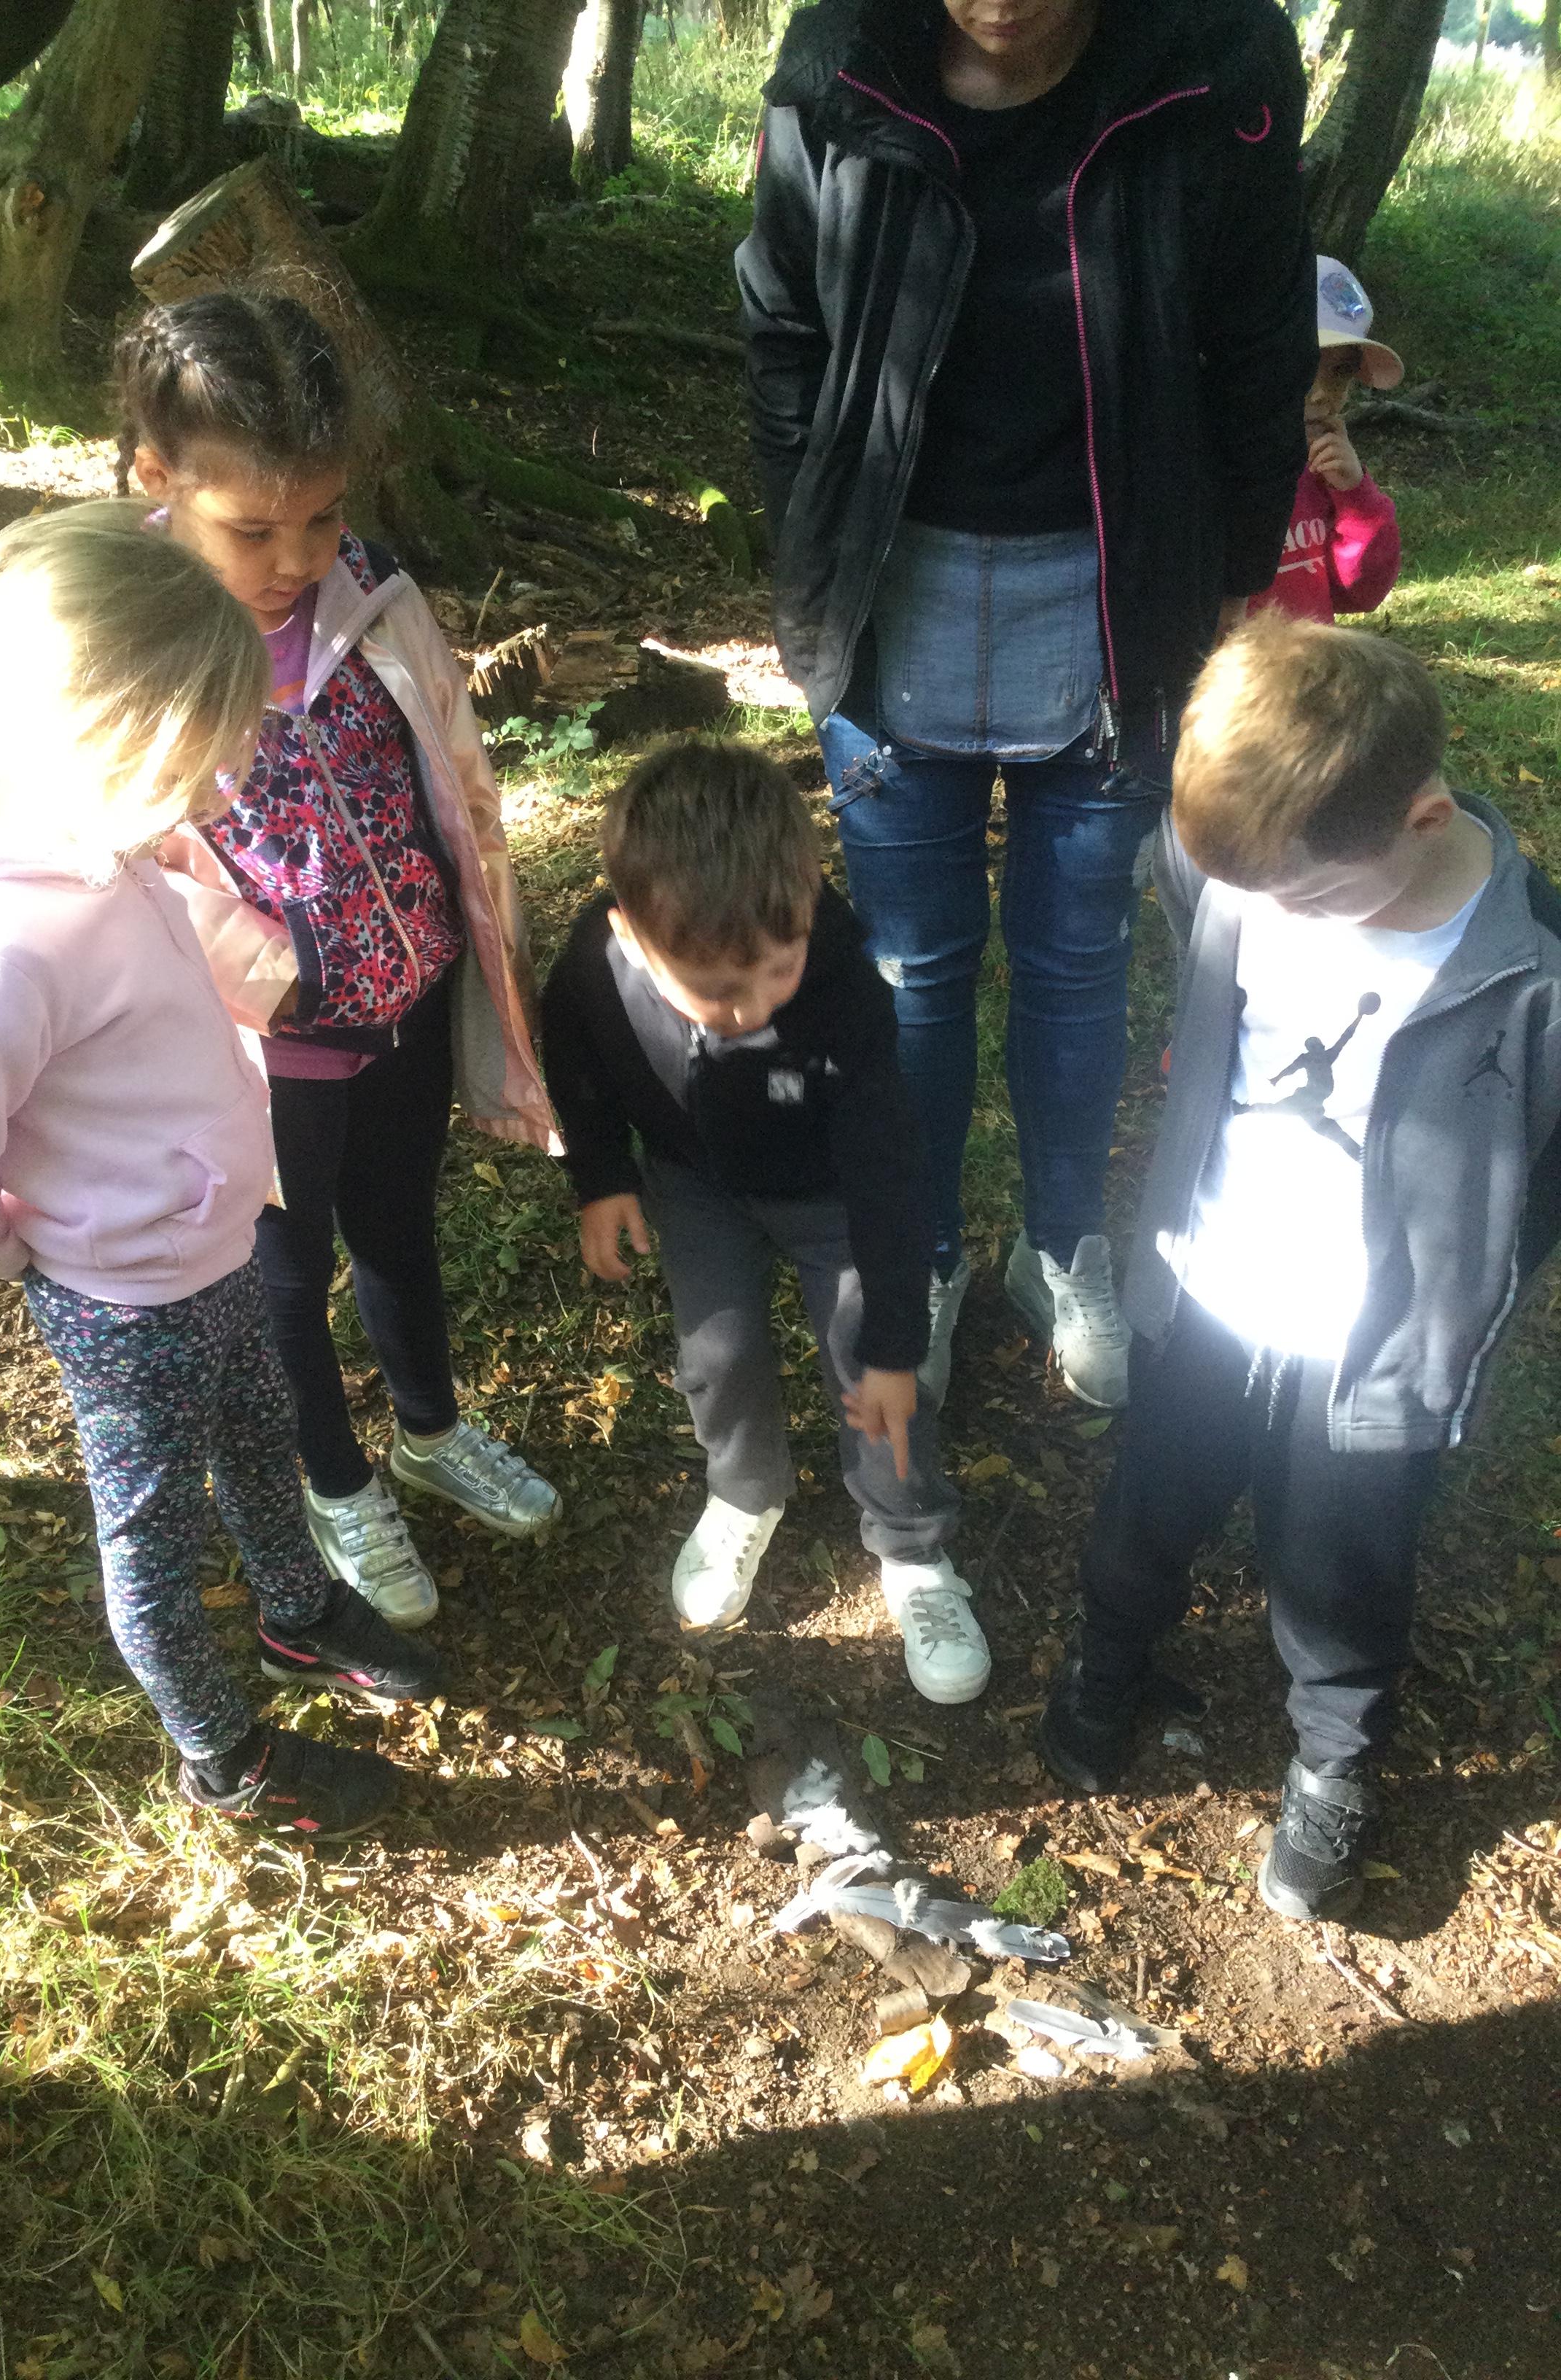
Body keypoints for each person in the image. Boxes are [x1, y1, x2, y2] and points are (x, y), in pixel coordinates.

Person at [736, 0, 1316, 1410]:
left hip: (1116, 592)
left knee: (1075, 959)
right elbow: (781, 325)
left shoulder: (1212, 67)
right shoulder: (839, 68)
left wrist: (1236, 573)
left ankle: (1061, 1244)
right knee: (911, 974)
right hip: (895, 593)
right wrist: (808, 538)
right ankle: (925, 1253)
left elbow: (1261, 336)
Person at [0, 502, 445, 1841]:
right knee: (155, 1537)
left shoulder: (99, 840)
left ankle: (296, 1611)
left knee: (261, 1435)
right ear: (107, 739)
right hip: (124, 1299)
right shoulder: (2, 946)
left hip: (210, 1243)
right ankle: (224, 1756)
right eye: (203, 753)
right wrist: (37, 1250)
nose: (226, 781)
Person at [1038, 616, 1561, 1920]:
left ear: (1421, 817)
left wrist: (1456, 1310)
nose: (1273, 915)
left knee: (1341, 1559)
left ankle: (1333, 1752)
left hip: (1369, 1347)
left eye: (1309, 895)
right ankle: (1108, 1661)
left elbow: (1536, 1185)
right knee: (1150, 1502)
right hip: (1210, 1290)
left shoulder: (1534, 975)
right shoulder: (1235, 868)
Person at [114, 291, 561, 1633]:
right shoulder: (119, 643)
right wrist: (263, 966)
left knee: (399, 1224)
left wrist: (475, 928)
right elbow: (106, 863)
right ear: (155, 476)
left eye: (319, 517)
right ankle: (334, 1479)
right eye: (253, 530)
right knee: (284, 1268)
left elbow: (454, 775)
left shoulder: (370, 595)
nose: (295, 558)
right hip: (266, 1045)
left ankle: (428, 1427)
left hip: (403, 1002)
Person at [540, 741, 989, 1706]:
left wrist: (896, 1345)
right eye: (714, 992)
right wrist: (601, 1175)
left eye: (776, 972)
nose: (748, 1012)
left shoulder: (844, 989)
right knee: (718, 1349)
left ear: (809, 896)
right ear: (632, 936)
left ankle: (913, 1547)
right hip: (695, 1180)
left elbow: (888, 1173)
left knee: (874, 1372)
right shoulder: (595, 959)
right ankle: (745, 1492)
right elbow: (570, 1049)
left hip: (831, 1194)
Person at [1251, 256, 1403, 625]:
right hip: (1233, 662)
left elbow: (1360, 592)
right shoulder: (1209, 468)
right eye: (1302, 365)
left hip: (1309, 659)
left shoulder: (1323, 473)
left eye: (1340, 372)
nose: (1321, 393)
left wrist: (1355, 497)